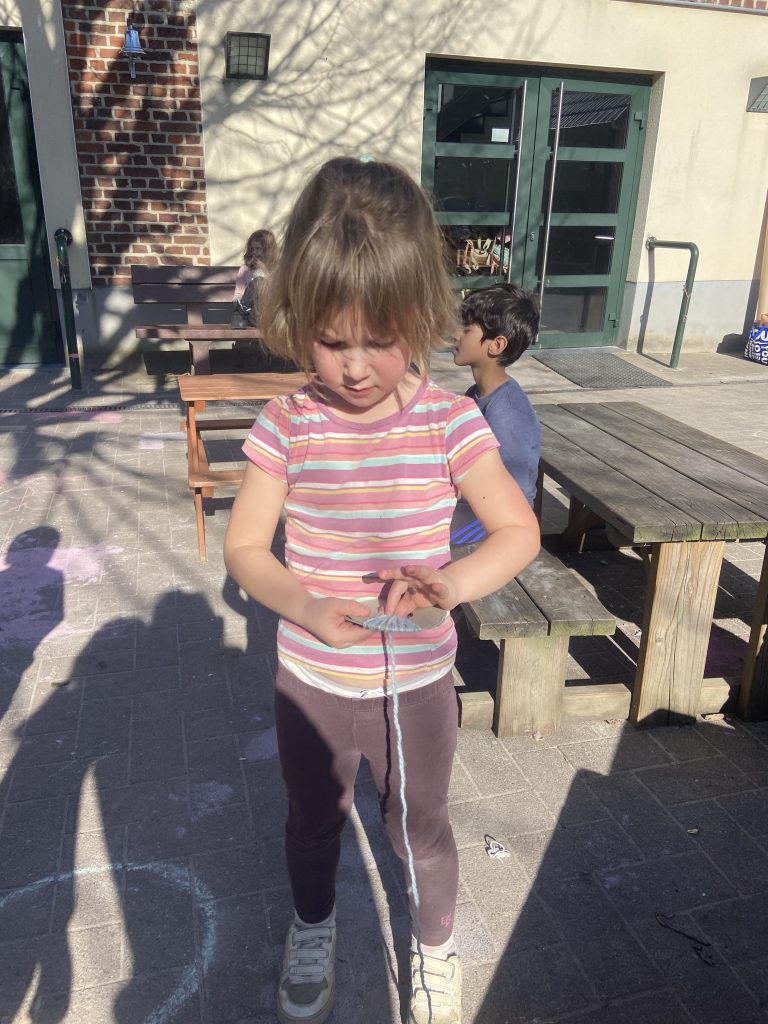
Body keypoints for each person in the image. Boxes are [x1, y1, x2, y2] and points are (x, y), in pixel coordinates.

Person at [223, 157, 540, 1024]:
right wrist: (303, 606)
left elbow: (517, 531)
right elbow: (245, 547)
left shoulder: (449, 422)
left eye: (381, 339)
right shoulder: (288, 424)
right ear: (296, 320)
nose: (356, 367)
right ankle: (313, 925)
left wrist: (451, 583)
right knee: (312, 823)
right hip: (313, 682)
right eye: (332, 341)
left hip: (419, 683)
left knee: (420, 827)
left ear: (423, 317)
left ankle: (435, 946)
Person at [451, 283, 541, 544]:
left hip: (493, 523)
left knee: (416, 535)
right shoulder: (475, 394)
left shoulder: (507, 412)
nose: (456, 335)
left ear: (496, 345)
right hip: (473, 510)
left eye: (466, 329)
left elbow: (515, 489)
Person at [231, 228, 278, 328]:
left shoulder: (276, 269)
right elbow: (238, 294)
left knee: (259, 282)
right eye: (252, 249)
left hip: (269, 315)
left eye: (258, 248)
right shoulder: (245, 270)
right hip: (251, 315)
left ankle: (239, 314)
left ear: (268, 250)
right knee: (257, 282)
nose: (254, 252)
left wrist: (264, 269)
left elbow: (277, 292)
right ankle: (240, 314)